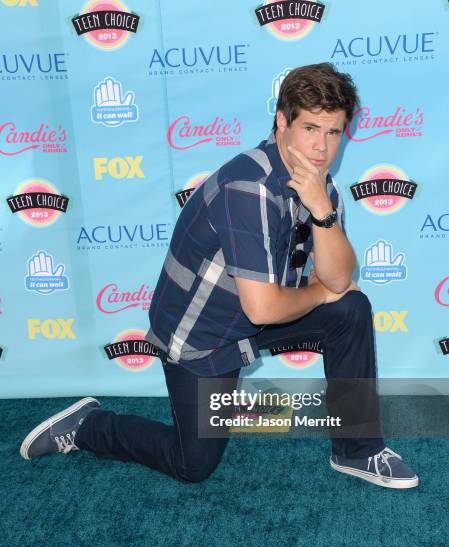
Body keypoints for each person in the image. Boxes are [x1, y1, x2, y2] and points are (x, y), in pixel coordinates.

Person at [20, 63, 418, 489]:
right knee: (193, 464)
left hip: (253, 315)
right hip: (201, 335)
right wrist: (320, 294)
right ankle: (89, 426)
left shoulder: (320, 186)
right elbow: (266, 305)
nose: (321, 147)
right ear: (282, 121)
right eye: (310, 128)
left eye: (333, 132)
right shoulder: (248, 186)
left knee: (352, 309)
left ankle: (358, 450)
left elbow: (338, 282)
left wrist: (322, 211)